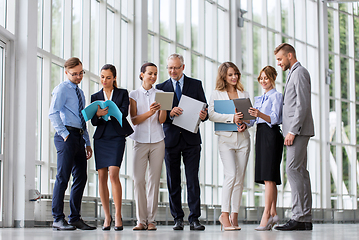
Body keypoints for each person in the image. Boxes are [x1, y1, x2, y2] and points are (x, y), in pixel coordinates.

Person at [156, 53, 208, 231]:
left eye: (176, 68)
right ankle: (177, 218)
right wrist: (170, 114)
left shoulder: (196, 84)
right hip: (170, 140)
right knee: (173, 180)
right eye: (170, 68)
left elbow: (205, 109)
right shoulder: (161, 88)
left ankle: (194, 218)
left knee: (192, 179)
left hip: (191, 139)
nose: (172, 71)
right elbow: (160, 117)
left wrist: (204, 114)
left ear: (183, 67)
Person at [49, 57, 96, 230]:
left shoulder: (79, 92)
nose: (78, 76)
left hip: (79, 136)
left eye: (80, 73)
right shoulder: (62, 89)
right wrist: (65, 134)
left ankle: (75, 217)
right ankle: (57, 218)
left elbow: (82, 119)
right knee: (63, 177)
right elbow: (53, 113)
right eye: (74, 74)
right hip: (66, 137)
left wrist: (87, 142)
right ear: (66, 72)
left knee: (81, 177)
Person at [273, 43, 314, 231]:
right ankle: (304, 218)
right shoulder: (293, 73)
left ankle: (298, 216)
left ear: (290, 55)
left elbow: (302, 105)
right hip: (297, 130)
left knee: (292, 170)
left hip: (297, 131)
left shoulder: (299, 72)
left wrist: (292, 131)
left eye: (280, 59)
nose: (279, 63)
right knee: (300, 172)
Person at [90, 64, 133, 231]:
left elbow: (124, 113)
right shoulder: (95, 96)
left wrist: (107, 112)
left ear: (114, 78)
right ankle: (107, 216)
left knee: (114, 173)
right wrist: (98, 115)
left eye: (108, 77)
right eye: (102, 77)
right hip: (101, 138)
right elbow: (93, 121)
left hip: (116, 137)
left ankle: (117, 215)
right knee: (101, 176)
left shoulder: (122, 93)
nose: (104, 80)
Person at [208, 62, 250, 231]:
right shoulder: (216, 94)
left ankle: (234, 215)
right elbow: (211, 114)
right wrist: (231, 118)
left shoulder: (244, 93)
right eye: (231, 74)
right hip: (225, 139)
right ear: (224, 76)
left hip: (243, 139)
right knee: (231, 175)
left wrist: (245, 124)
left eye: (236, 74)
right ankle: (224, 214)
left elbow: (250, 116)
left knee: (239, 179)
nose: (234, 77)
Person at [129, 62, 166, 231]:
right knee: (138, 180)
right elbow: (134, 120)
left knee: (154, 181)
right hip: (140, 140)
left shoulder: (162, 94)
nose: (153, 76)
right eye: (150, 73)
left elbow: (162, 120)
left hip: (158, 140)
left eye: (155, 74)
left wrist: (161, 110)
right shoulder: (133, 94)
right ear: (142, 74)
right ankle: (140, 220)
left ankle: (151, 220)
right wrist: (150, 112)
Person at [247, 66, 284, 231]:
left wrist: (259, 114)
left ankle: (267, 214)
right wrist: (244, 121)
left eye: (266, 78)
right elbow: (252, 121)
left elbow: (275, 118)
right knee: (269, 177)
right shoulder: (258, 98)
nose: (263, 81)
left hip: (272, 135)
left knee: (269, 177)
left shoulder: (276, 96)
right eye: (261, 78)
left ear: (273, 78)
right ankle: (274, 212)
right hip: (260, 135)